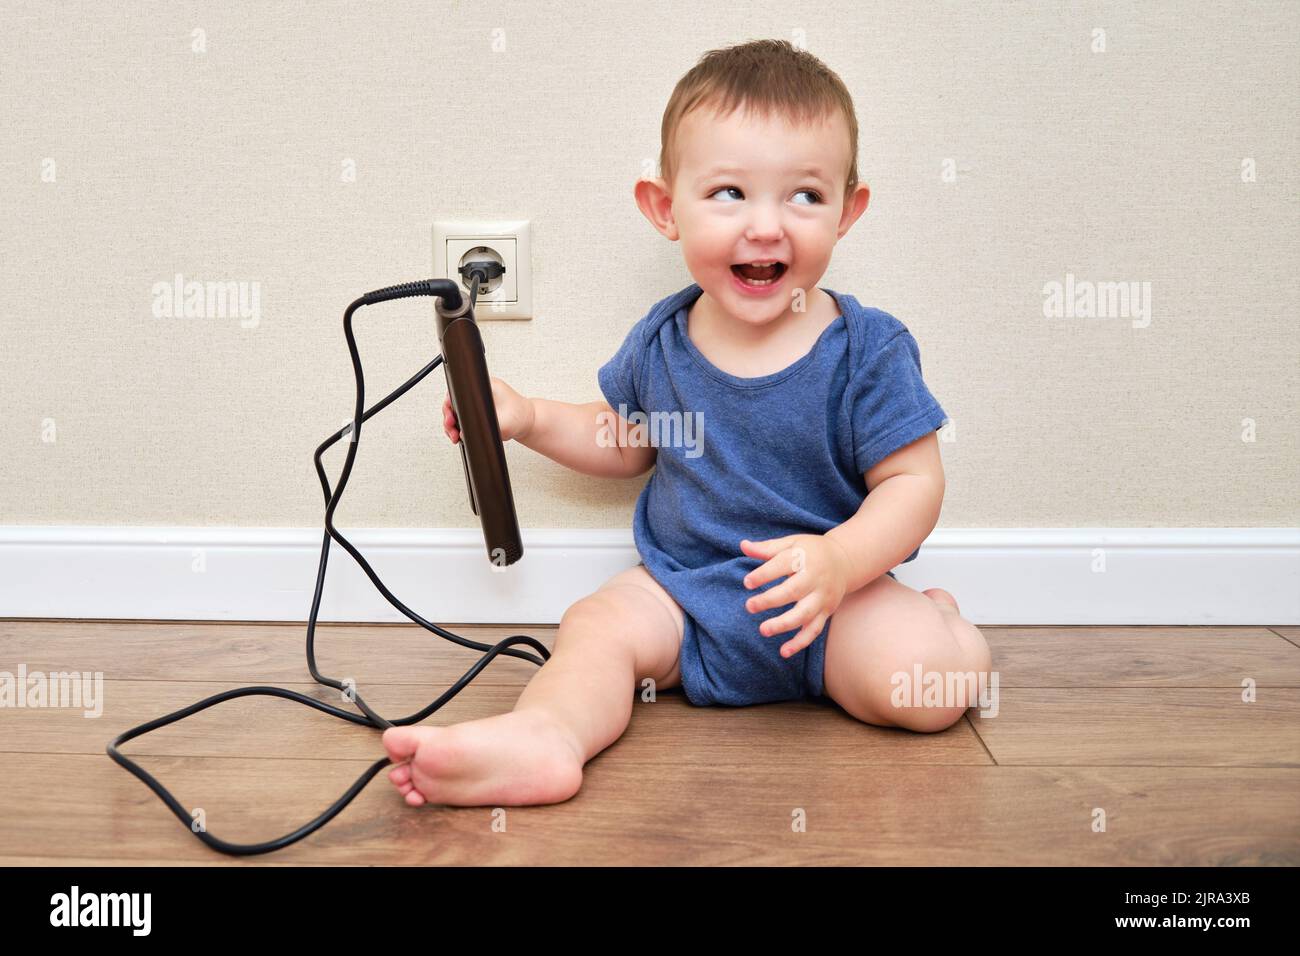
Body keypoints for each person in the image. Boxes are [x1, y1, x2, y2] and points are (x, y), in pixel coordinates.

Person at [383, 38, 992, 808]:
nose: (766, 226)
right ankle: (548, 735)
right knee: (596, 626)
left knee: (930, 690)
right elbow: (627, 442)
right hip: (684, 596)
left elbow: (914, 484)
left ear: (848, 211)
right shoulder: (664, 340)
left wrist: (840, 562)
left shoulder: (868, 350)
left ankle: (948, 627)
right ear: (665, 208)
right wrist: (527, 417)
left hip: (833, 602)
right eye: (730, 193)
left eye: (804, 196)